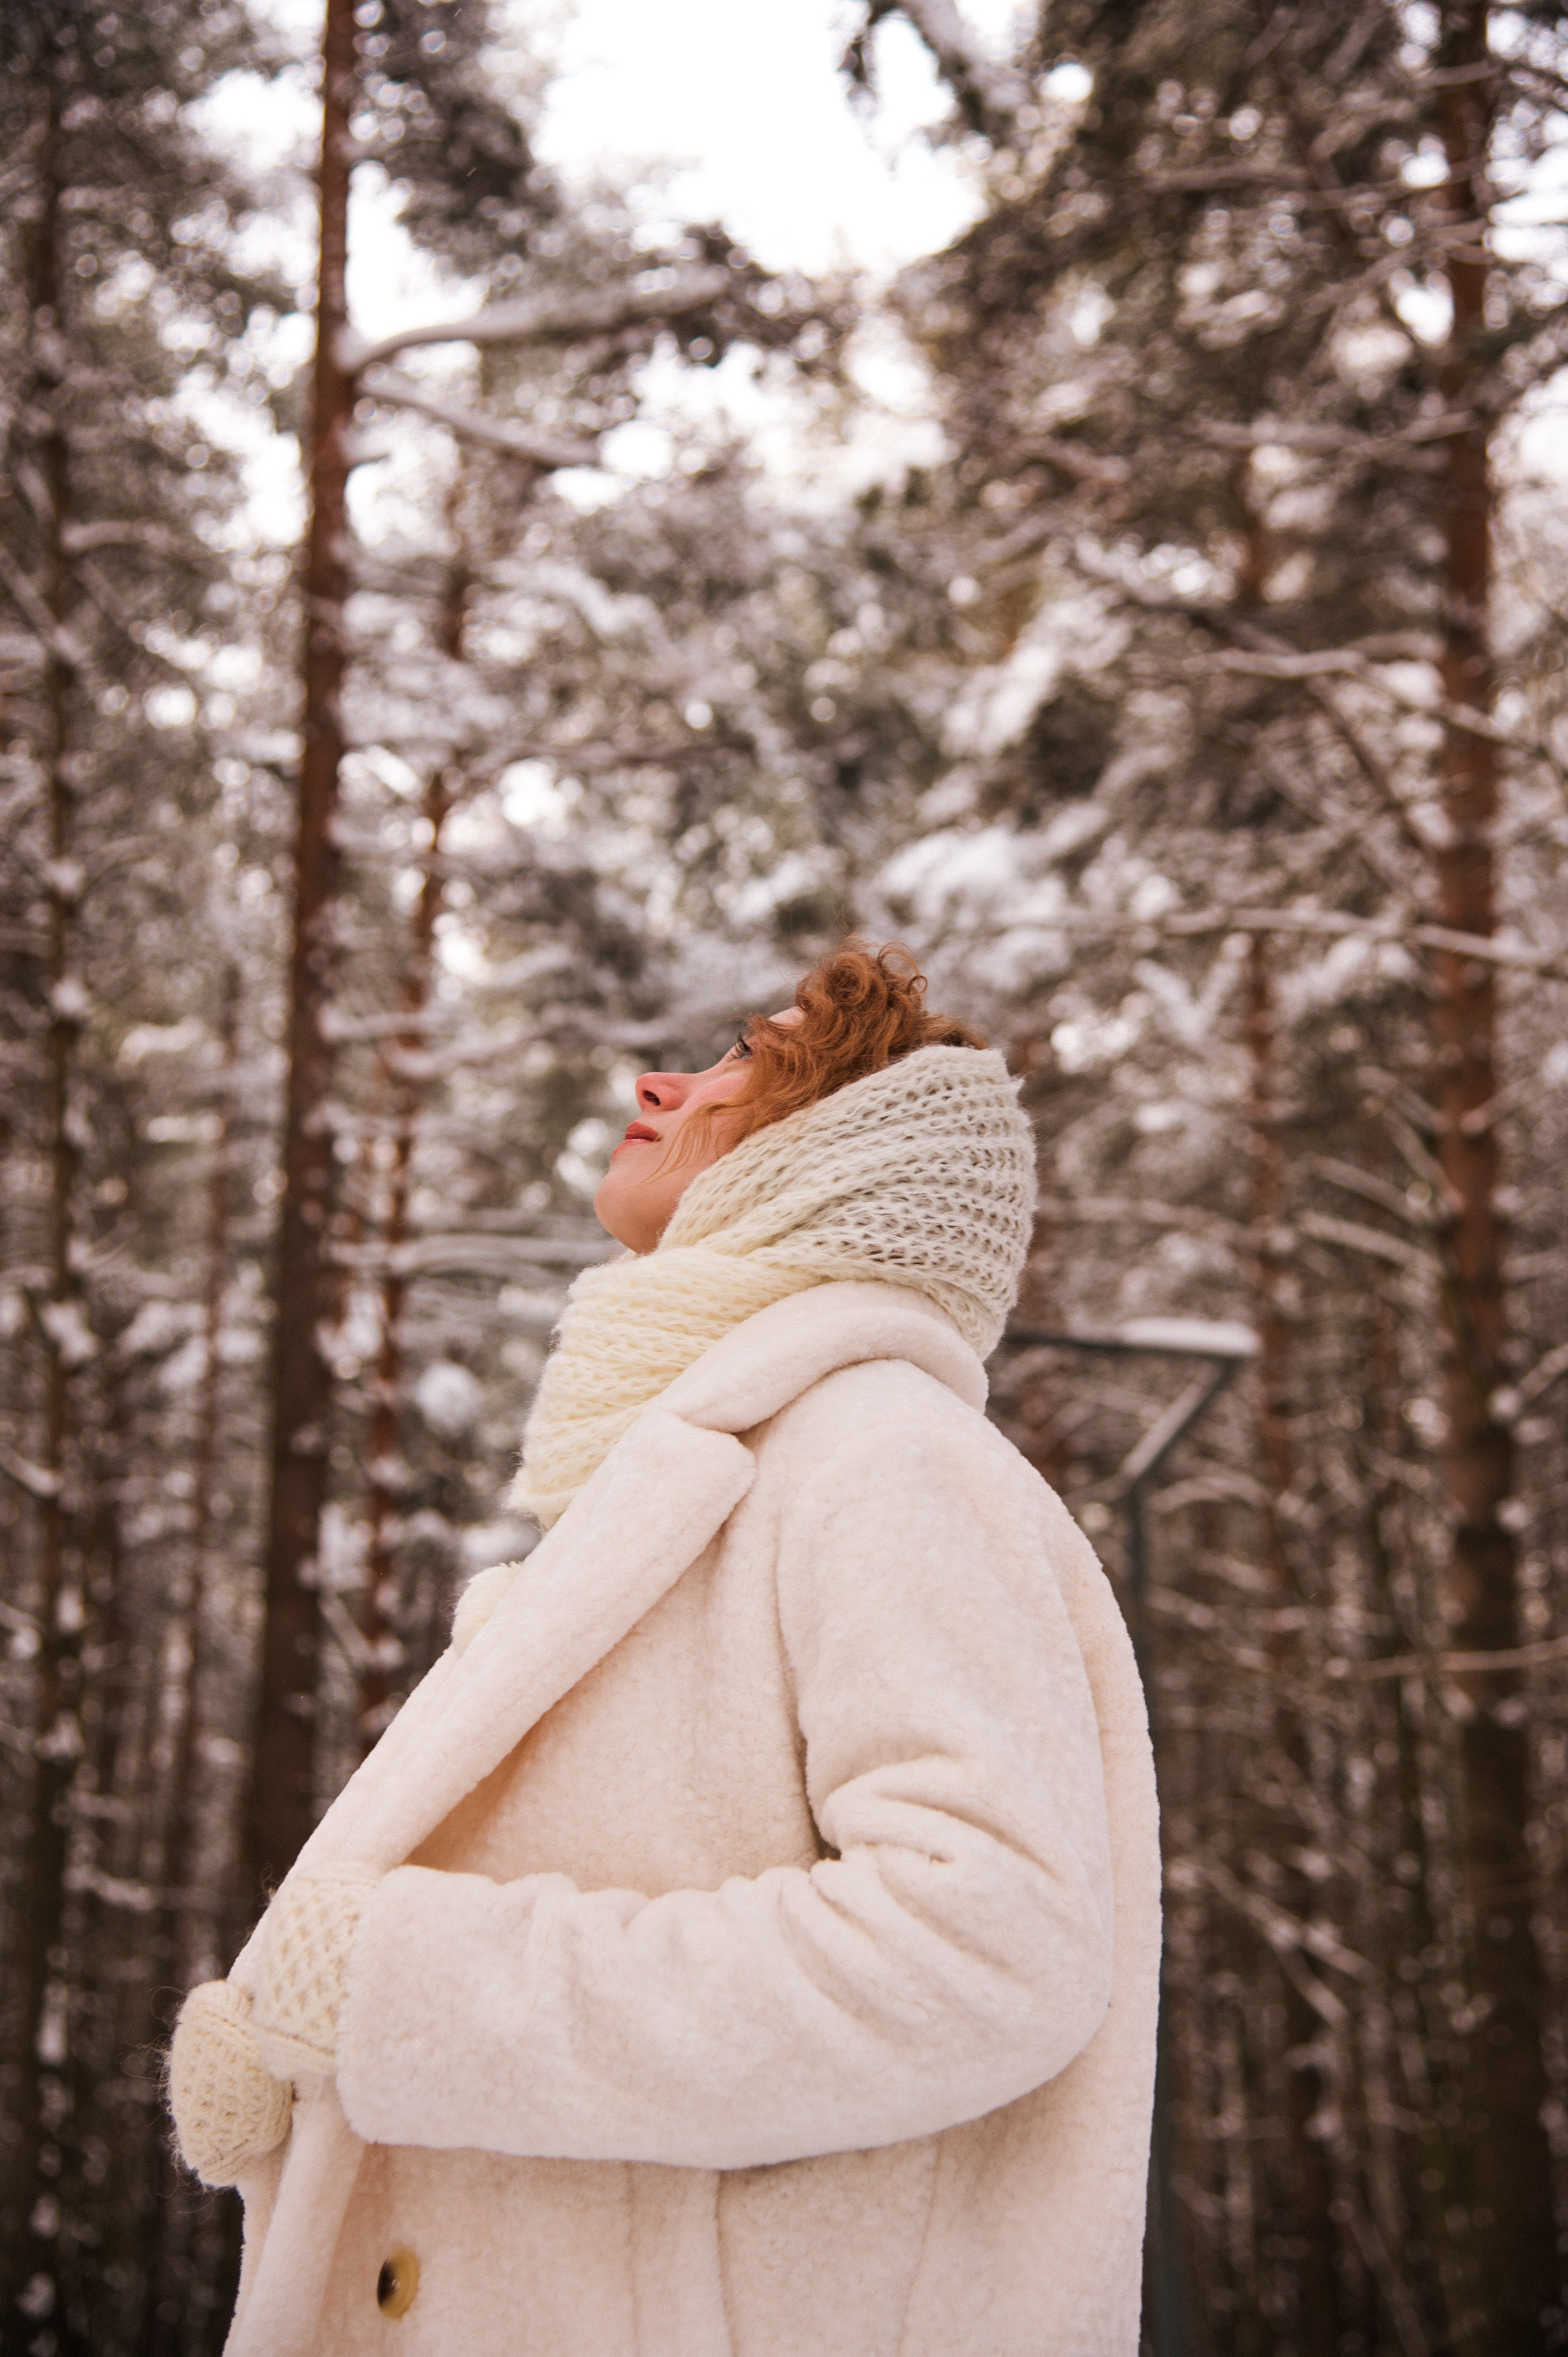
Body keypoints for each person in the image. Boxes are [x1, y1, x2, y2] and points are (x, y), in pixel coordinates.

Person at [167, 940, 1160, 2357]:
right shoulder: (705, 1470)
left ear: (833, 1154)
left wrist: (404, 1988)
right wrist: (293, 2033)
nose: (658, 1081)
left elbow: (981, 1948)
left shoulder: (880, 1455)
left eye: (740, 1063)